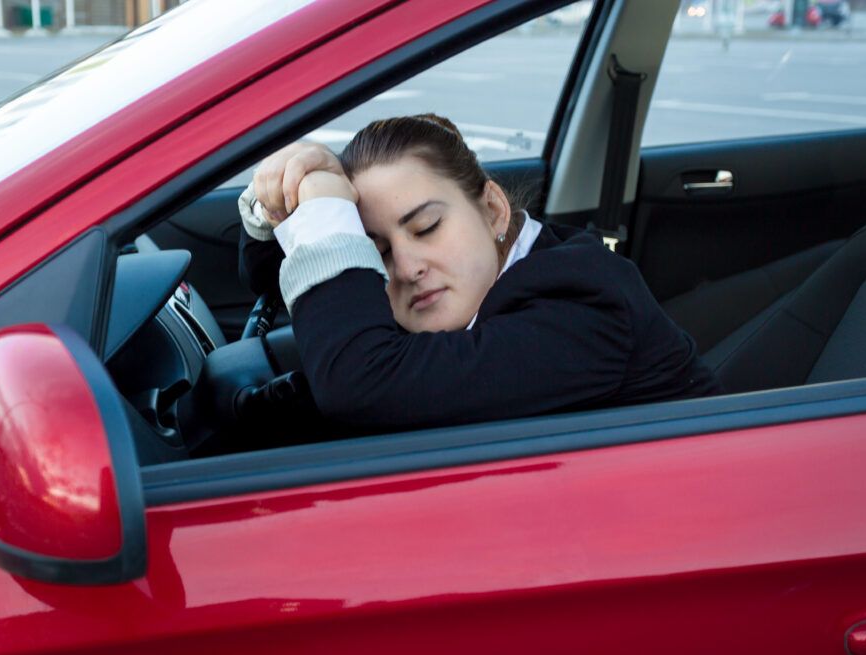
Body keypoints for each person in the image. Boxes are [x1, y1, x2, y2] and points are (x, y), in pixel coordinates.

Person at [238, 114, 721, 431]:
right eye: (377, 252)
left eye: (426, 228)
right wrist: (280, 196)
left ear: (493, 210)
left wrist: (327, 213)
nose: (407, 267)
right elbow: (265, 276)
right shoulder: (510, 272)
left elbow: (358, 386)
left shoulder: (583, 307)